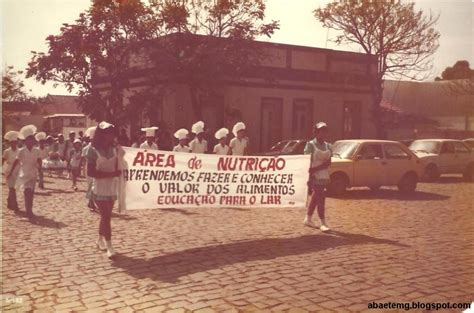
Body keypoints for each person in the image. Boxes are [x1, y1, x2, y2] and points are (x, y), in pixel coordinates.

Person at [86, 121, 121, 258]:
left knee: (105, 217)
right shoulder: (92, 150)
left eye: (111, 133)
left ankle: (99, 239)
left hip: (111, 187)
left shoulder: (116, 149)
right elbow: (91, 172)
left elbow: (120, 165)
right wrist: (111, 174)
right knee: (106, 216)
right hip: (99, 188)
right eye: (107, 134)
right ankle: (110, 246)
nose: (110, 136)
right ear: (101, 135)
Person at [9, 125, 42, 222]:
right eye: (28, 140)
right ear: (25, 141)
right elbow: (16, 161)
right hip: (24, 173)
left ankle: (29, 209)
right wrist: (11, 171)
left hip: (33, 173)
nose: (30, 141)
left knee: (31, 193)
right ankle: (29, 211)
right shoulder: (22, 151)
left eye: (32, 140)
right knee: (27, 192)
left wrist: (40, 169)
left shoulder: (36, 150)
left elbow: (39, 160)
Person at [303, 122, 332, 232]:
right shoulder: (310, 145)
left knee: (316, 196)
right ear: (316, 132)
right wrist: (312, 172)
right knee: (321, 197)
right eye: (321, 131)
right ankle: (323, 222)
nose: (323, 133)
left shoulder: (328, 145)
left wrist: (320, 167)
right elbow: (307, 160)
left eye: (325, 131)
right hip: (314, 175)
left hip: (323, 174)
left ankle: (308, 219)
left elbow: (329, 161)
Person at [3, 131, 20, 210]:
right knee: (11, 188)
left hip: (18, 171)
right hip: (9, 170)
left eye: (15, 142)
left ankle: (9, 200)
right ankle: (15, 204)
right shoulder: (6, 151)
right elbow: (3, 160)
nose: (14, 144)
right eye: (12, 142)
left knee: (14, 188)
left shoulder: (20, 151)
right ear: (10, 143)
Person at [82, 127, 97, 212]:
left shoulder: (98, 148)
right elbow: (85, 160)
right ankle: (91, 202)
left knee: (94, 186)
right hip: (89, 168)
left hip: (96, 168)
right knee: (91, 186)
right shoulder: (87, 148)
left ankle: (91, 201)